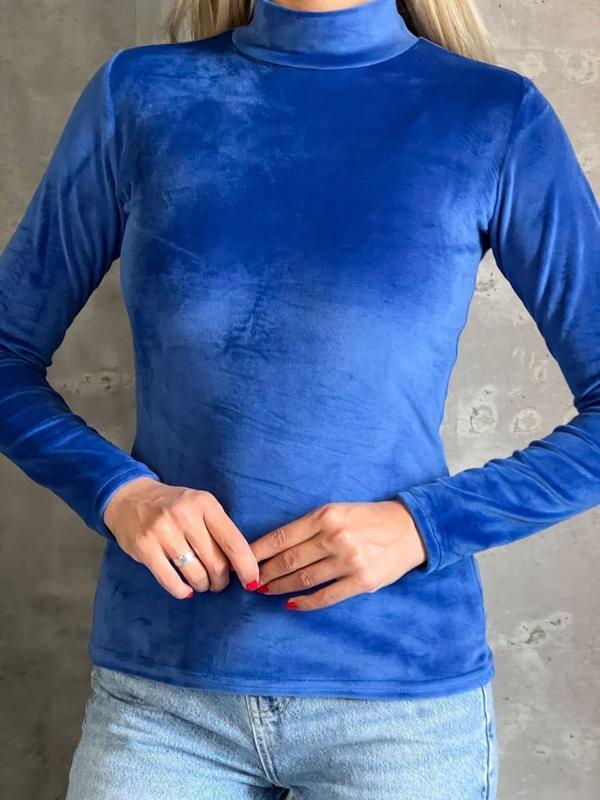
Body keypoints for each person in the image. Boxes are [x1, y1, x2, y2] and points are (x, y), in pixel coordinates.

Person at [0, 0, 598, 797]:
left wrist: (423, 526)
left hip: (400, 710)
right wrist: (119, 494)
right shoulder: (140, 96)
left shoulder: (493, 115)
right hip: (163, 703)